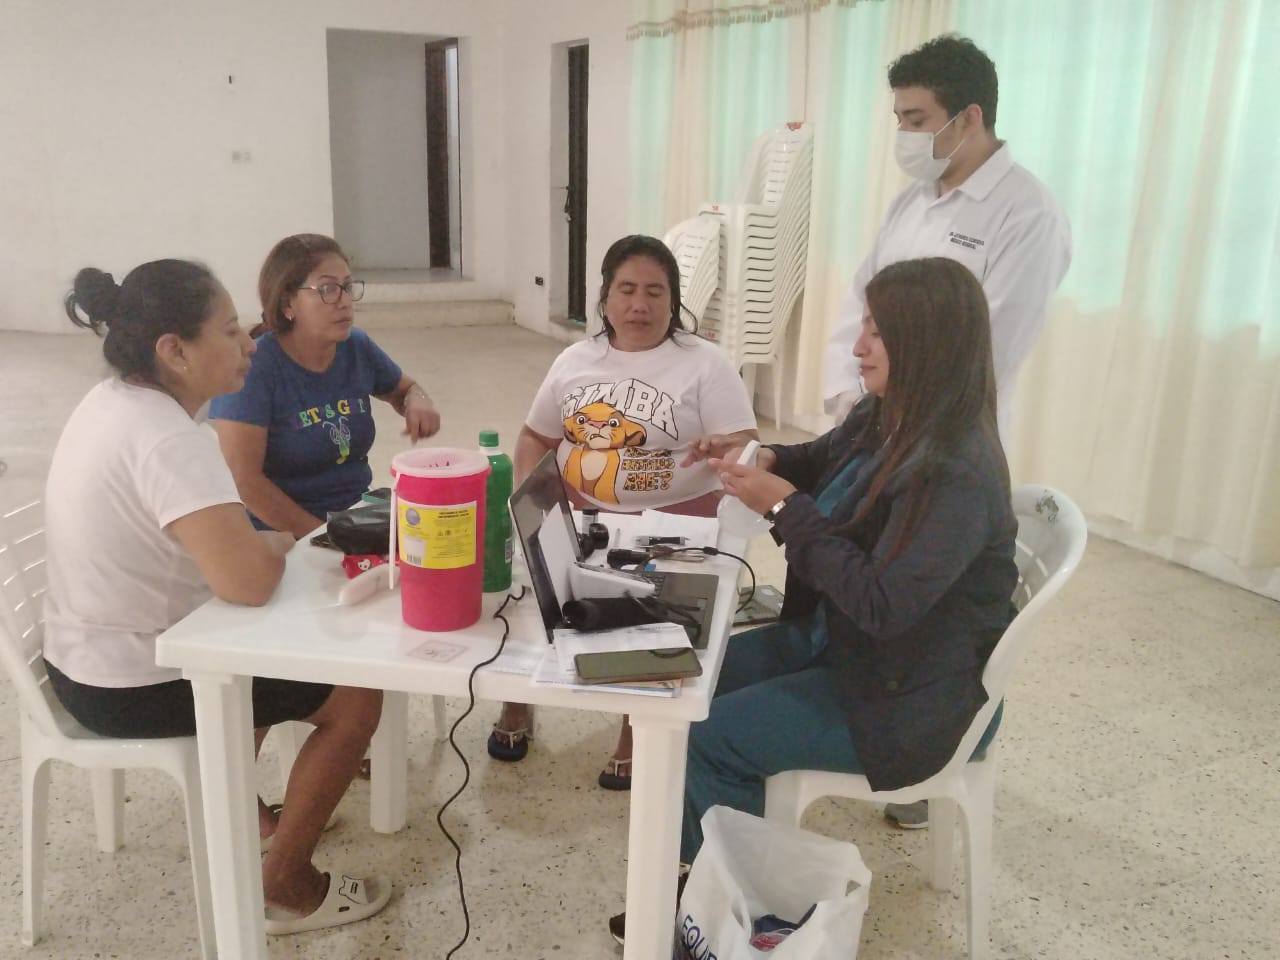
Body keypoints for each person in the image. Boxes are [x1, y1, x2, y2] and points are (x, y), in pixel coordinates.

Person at [609, 257, 1016, 944]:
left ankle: (741, 913)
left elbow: (881, 603)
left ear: (925, 342)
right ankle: (703, 878)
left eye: (877, 332)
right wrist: (764, 457)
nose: (858, 346)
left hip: (906, 695)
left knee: (710, 733)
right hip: (853, 648)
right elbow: (820, 458)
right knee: (683, 678)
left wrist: (785, 508)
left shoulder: (956, 472)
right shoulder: (891, 414)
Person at [44, 260, 391, 934]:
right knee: (354, 696)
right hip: (130, 681)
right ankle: (286, 882)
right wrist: (272, 545)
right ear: (174, 351)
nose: (248, 346)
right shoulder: (171, 439)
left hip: (80, 659)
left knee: (274, 655)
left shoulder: (112, 401)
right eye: (230, 331)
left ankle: (249, 815)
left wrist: (257, 544)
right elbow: (248, 584)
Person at [491, 234, 760, 789]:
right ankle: (518, 698)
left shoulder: (705, 364)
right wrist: (529, 506)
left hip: (677, 520)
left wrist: (726, 451)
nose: (640, 305)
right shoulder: (575, 360)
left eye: (655, 292)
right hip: (581, 512)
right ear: (605, 297)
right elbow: (535, 436)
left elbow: (746, 447)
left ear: (673, 300)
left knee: (647, 617)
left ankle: (636, 725)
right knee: (531, 590)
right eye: (627, 290)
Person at [823, 34, 1071, 442]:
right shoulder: (911, 200)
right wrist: (849, 396)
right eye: (899, 120)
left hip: (947, 433)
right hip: (868, 419)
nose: (904, 133)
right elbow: (861, 301)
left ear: (969, 118)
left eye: (917, 120)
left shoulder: (1029, 214)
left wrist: (894, 410)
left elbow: (991, 347)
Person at [211, 233, 441, 539]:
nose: (344, 301)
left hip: (355, 515)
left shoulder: (355, 346)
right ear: (287, 302)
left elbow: (404, 389)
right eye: (327, 289)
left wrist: (418, 400)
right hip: (281, 533)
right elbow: (244, 482)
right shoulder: (255, 367)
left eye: (347, 287)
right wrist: (325, 536)